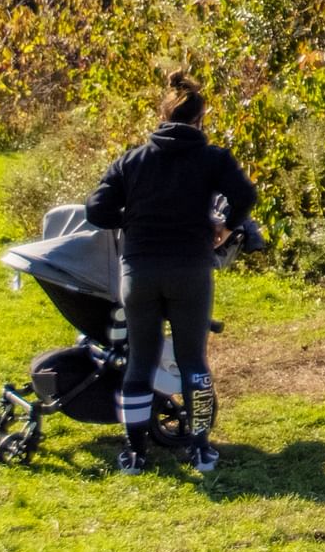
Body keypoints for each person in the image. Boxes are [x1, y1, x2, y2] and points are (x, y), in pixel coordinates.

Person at [84, 78, 258, 475]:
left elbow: (96, 210)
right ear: (200, 119)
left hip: (140, 270)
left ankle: (134, 453)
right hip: (191, 269)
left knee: (139, 363)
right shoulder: (213, 159)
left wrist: (129, 220)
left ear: (163, 116)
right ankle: (200, 450)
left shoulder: (133, 160)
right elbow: (245, 195)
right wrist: (226, 228)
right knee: (192, 360)